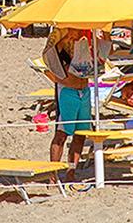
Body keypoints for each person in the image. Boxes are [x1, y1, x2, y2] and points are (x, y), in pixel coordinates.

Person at [42, 27, 101, 166]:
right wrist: (67, 36)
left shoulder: (88, 35)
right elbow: (49, 54)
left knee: (81, 134)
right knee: (61, 134)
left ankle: (71, 170)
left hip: (84, 90)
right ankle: (53, 172)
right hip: (67, 90)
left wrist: (105, 34)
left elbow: (103, 52)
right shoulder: (60, 37)